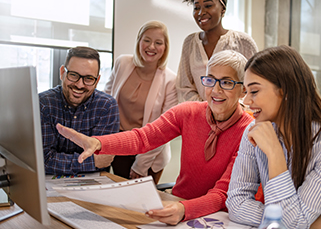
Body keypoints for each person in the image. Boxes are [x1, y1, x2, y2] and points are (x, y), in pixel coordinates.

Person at [56, 50, 253, 225]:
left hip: (218, 218)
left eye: (226, 82)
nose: (216, 90)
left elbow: (221, 194)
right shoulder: (188, 112)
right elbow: (143, 138)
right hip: (177, 205)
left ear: (243, 89)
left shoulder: (248, 131)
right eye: (210, 79)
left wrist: (185, 210)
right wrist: (99, 143)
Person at [226, 45, 321, 229]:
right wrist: (311, 224)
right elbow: (236, 203)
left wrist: (274, 152)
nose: (247, 101)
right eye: (246, 92)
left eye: (254, 91)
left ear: (286, 91)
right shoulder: (255, 131)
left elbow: (293, 223)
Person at [104, 20, 178, 183]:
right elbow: (105, 102)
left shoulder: (171, 80)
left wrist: (141, 164)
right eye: (147, 40)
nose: (151, 47)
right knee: (118, 201)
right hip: (120, 145)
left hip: (150, 153)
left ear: (165, 48)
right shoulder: (122, 63)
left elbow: (164, 129)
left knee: (142, 205)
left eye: (158, 43)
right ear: (139, 41)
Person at [39, 46, 119, 175]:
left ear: (97, 81)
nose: (80, 85)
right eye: (73, 75)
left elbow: (103, 161)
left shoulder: (107, 106)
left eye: (88, 78)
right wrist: (91, 162)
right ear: (62, 73)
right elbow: (43, 160)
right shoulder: (43, 104)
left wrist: (61, 161)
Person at [176, 0, 258, 102]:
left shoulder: (243, 42)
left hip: (236, 117)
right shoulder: (190, 43)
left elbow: (254, 85)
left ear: (223, 9)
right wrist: (205, 109)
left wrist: (228, 110)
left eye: (208, 6)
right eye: (196, 7)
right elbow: (184, 87)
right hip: (198, 116)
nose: (201, 13)